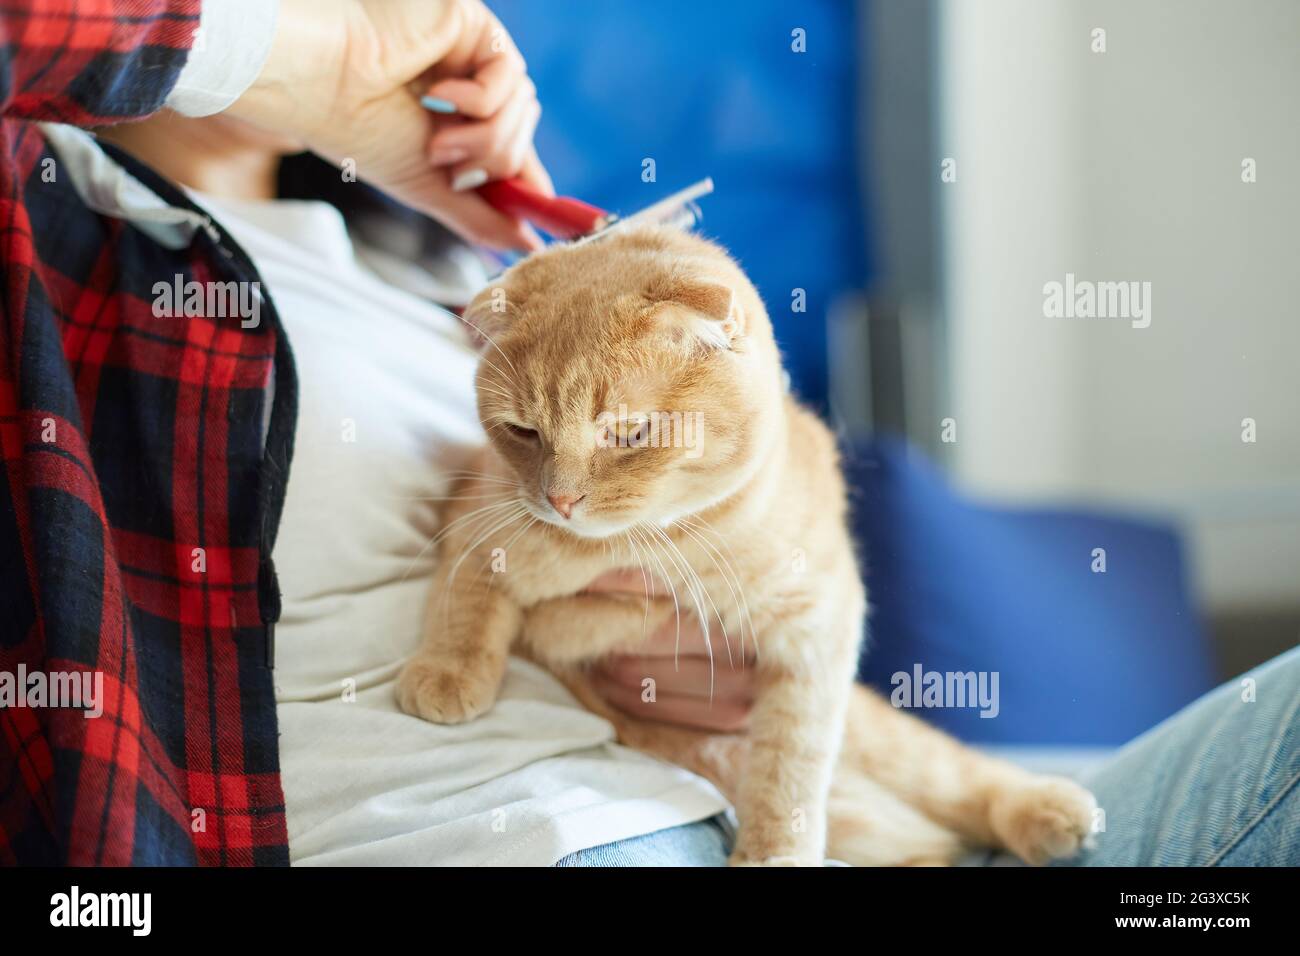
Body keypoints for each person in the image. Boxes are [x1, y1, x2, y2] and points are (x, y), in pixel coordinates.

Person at [2, 0, 1295, 868]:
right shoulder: (60, 237)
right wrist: (305, 60)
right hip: (529, 829)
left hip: (744, 801)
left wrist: (715, 642)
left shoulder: (439, 275)